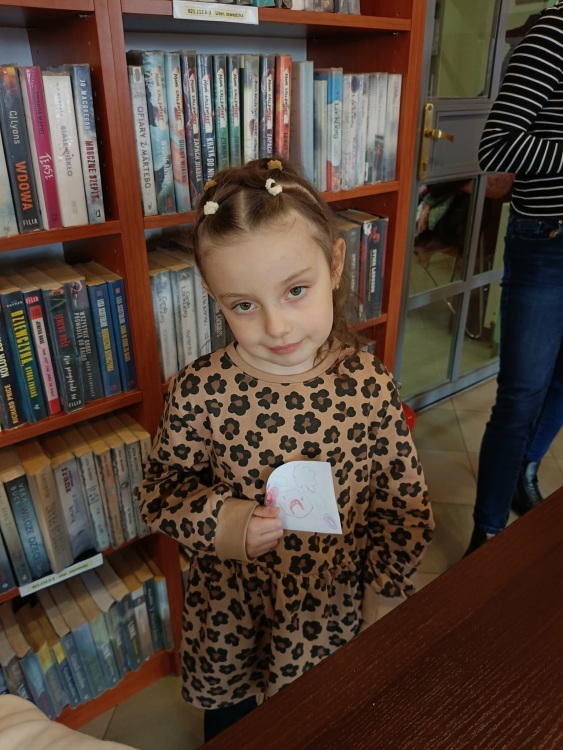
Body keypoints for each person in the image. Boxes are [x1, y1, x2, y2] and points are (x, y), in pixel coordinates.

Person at [138, 158, 434, 741]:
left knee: (318, 721)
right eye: (243, 305)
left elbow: (403, 501)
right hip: (232, 610)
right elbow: (159, 492)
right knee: (234, 728)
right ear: (213, 295)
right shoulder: (200, 390)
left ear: (335, 264)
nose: (276, 327)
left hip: (331, 605)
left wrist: (386, 588)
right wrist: (227, 523)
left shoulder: (368, 384)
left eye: (296, 291)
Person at [466, 1, 563, 555]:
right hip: (549, 241)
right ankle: (488, 533)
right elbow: (497, 145)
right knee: (522, 394)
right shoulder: (554, 31)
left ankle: (525, 471)